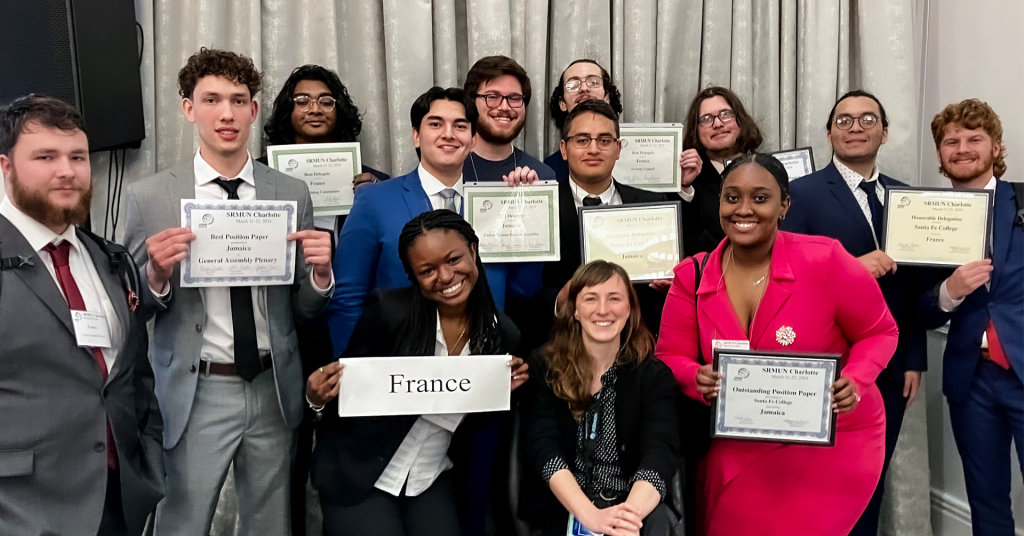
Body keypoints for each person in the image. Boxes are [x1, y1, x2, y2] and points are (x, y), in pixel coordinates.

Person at [122, 48, 334, 535]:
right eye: (212, 99)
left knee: (270, 523)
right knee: (183, 521)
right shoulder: (150, 195)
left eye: (239, 100)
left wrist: (321, 277)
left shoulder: (290, 191)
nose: (226, 113)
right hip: (196, 390)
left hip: (271, 385)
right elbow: (131, 305)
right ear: (188, 108)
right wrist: (154, 274)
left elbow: (301, 307)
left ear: (254, 110)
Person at [656, 153, 898, 535]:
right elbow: (669, 355)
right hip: (733, 447)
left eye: (760, 197)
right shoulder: (691, 276)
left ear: (784, 205)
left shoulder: (826, 259)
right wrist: (694, 376)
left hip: (829, 446)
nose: (744, 209)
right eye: (731, 197)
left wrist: (857, 378)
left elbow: (879, 331)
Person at [307, 210, 530, 536]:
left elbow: (475, 423)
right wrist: (315, 399)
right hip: (359, 474)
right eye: (427, 270)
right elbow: (342, 395)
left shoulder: (501, 334)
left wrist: (503, 393)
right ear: (413, 276)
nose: (445, 276)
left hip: (430, 476)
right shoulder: (389, 313)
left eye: (453, 259)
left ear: (473, 249)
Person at [0, 95, 163, 536]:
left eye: (77, 156)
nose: (67, 171)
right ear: (6, 167)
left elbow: (133, 377)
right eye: (46, 156)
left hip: (116, 501)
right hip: (20, 507)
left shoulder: (109, 258)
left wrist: (148, 462)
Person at [781, 89, 928, 536]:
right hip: (825, 362)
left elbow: (911, 289)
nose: (855, 127)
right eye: (843, 120)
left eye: (867, 119)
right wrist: (850, 271)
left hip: (890, 364)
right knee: (821, 481)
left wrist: (914, 357)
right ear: (828, 133)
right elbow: (783, 276)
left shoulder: (907, 199)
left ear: (884, 133)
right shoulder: (799, 194)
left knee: (872, 476)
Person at [260, 62, 388, 536]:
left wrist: (373, 197)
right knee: (288, 451)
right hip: (287, 328)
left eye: (326, 100)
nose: (314, 108)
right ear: (284, 112)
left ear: (341, 112)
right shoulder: (260, 182)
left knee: (344, 446)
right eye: (302, 100)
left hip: (351, 328)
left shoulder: (371, 181)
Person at [326, 86, 542, 356]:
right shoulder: (374, 200)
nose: (449, 134)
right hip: (399, 368)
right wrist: (353, 375)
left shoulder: (498, 203)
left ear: (473, 139)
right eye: (436, 124)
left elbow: (524, 289)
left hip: (481, 363)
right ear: (416, 135)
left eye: (460, 126)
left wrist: (531, 212)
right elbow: (348, 298)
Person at [917, 99, 1022, 536]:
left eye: (974, 139)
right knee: (986, 499)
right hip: (971, 379)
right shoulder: (924, 219)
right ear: (941, 156)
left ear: (996, 148)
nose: (962, 148)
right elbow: (917, 308)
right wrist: (948, 292)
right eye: (951, 141)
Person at [519, 260, 680, 536]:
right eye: (590, 299)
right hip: (566, 507)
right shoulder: (544, 367)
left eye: (614, 299)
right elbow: (544, 450)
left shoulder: (654, 376)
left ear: (630, 308)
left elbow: (660, 454)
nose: (603, 310)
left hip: (635, 510)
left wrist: (626, 519)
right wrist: (590, 516)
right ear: (576, 311)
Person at [532, 99, 678, 350]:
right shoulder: (541, 207)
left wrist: (668, 287)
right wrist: (561, 298)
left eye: (604, 140)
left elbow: (664, 298)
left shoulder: (652, 205)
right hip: (560, 348)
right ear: (564, 149)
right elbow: (526, 293)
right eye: (582, 140)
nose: (594, 149)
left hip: (634, 348)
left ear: (619, 149)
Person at [680, 86, 764, 256]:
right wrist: (684, 188)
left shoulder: (768, 169)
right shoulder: (685, 179)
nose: (717, 124)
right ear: (695, 130)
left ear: (740, 120)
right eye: (706, 119)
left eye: (725, 114)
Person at [462, 55, 555, 183]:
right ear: (471, 103)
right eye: (492, 96)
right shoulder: (449, 168)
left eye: (514, 98)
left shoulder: (542, 177)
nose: (504, 107)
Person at [544, 59, 623, 180]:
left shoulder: (634, 159)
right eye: (572, 85)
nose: (584, 88)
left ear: (607, 97)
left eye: (594, 82)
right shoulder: (550, 170)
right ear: (562, 103)